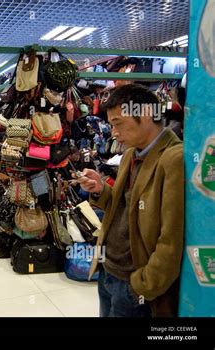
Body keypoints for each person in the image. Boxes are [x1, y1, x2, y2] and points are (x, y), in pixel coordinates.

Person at [75, 84, 184, 317]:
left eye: (118, 123)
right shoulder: (130, 155)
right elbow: (124, 206)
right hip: (109, 272)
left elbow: (172, 237)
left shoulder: (173, 159)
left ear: (144, 115)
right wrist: (100, 189)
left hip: (133, 283)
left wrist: (142, 285)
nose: (113, 132)